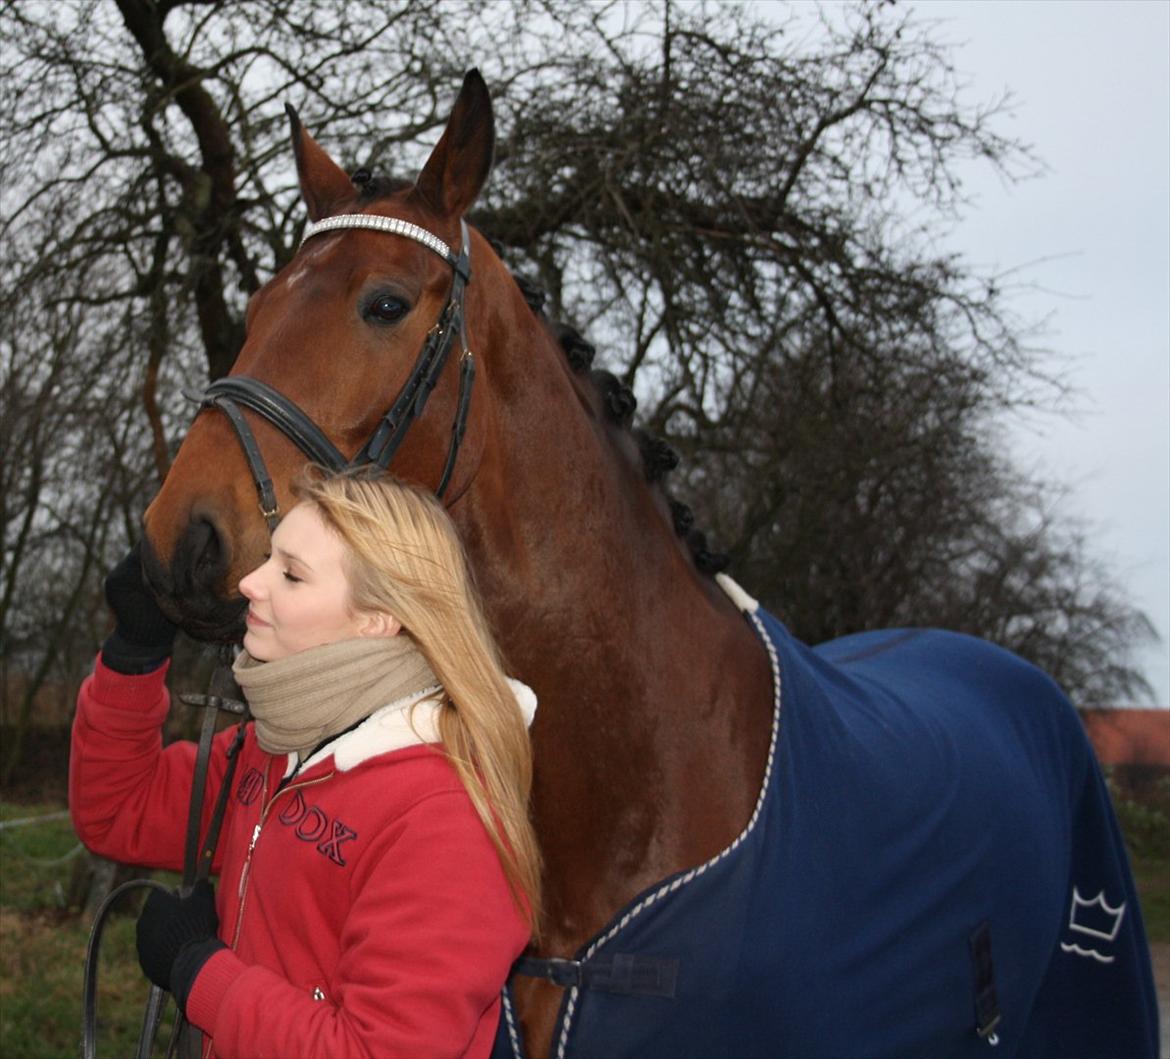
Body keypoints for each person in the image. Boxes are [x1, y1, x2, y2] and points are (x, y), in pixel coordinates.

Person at [70, 469, 542, 1058]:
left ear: (376, 619)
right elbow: (118, 811)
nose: (248, 583)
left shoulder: (446, 815)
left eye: (290, 574)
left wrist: (200, 972)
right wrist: (134, 653)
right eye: (269, 559)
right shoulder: (276, 747)